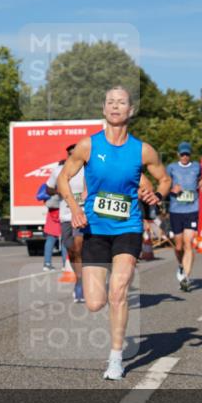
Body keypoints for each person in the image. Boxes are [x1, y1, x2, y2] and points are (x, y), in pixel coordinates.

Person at [57, 86, 170, 381]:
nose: (116, 106)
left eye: (121, 102)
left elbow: (165, 178)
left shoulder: (142, 150)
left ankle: (116, 358)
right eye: (110, 102)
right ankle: (112, 308)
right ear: (104, 109)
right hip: (95, 228)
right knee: (95, 302)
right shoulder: (88, 146)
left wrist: (156, 194)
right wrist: (75, 206)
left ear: (131, 110)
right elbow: (62, 178)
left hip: (128, 228)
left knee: (118, 292)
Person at [166, 141, 202, 292]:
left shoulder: (196, 166)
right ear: (178, 154)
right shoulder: (171, 168)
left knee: (188, 243)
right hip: (176, 210)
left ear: (190, 155)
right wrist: (171, 189)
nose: (184, 156)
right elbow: (164, 183)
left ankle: (186, 278)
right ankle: (181, 265)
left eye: (187, 154)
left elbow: (200, 179)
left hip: (192, 209)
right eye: (182, 154)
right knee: (178, 246)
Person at [48, 144, 86, 300]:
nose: (73, 156)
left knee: (79, 247)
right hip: (65, 216)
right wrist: (59, 190)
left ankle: (81, 284)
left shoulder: (88, 170)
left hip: (83, 216)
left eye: (76, 153)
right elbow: (48, 189)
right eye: (71, 154)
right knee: (71, 250)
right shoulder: (59, 171)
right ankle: (80, 278)